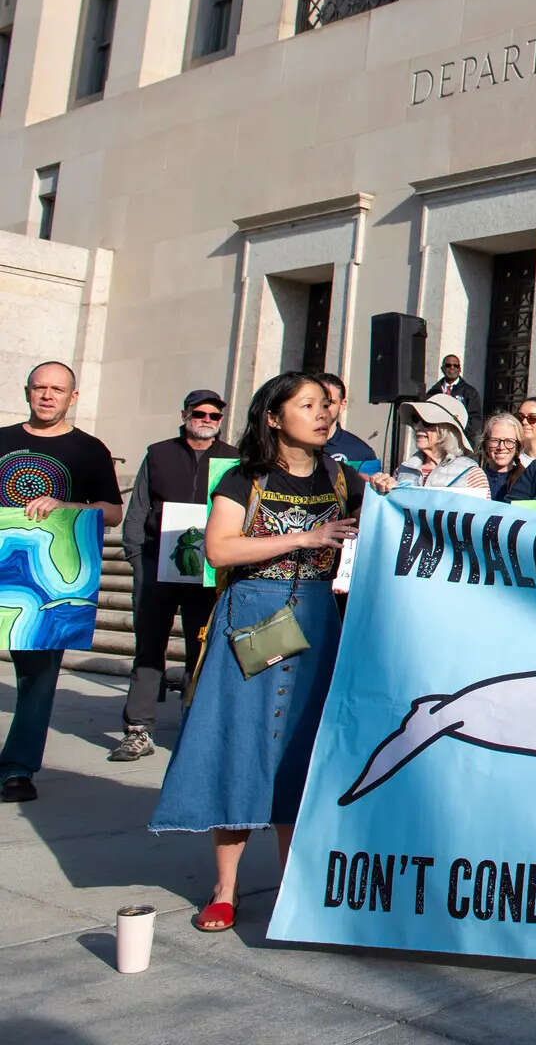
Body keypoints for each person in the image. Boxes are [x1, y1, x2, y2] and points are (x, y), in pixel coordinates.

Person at [148, 372, 370, 930]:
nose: (323, 414)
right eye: (308, 405)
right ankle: (225, 888)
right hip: (252, 619)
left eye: (327, 405)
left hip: (320, 622)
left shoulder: (345, 478)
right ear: (273, 418)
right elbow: (219, 549)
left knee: (304, 754)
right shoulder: (241, 478)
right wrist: (303, 537)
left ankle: (294, 888)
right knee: (240, 747)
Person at [0, 363, 126, 803]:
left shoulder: (89, 449)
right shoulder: (2, 439)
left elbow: (113, 513)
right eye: (40, 387)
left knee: (38, 677)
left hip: (47, 582)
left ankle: (17, 768)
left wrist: (65, 505)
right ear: (27, 392)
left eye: (57, 389)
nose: (47, 395)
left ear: (73, 397)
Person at [110, 389, 239, 762]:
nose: (206, 420)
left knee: (202, 647)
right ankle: (138, 728)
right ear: (184, 413)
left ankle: (194, 725)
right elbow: (139, 508)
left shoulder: (232, 460)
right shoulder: (159, 453)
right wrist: (136, 556)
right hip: (156, 565)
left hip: (208, 569)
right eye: (199, 413)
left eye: (214, 415)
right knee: (149, 646)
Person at [390, 395, 489, 494]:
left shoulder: (471, 474)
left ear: (447, 430)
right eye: (416, 419)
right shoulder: (403, 470)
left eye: (427, 422)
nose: (417, 426)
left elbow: (482, 509)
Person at [316, 373, 381, 474]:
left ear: (342, 405)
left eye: (329, 403)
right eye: (314, 403)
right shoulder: (289, 444)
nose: (323, 408)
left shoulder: (361, 453)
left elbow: (368, 488)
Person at [430, 354, 482, 441]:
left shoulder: (470, 392)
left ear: (460, 369)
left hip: (459, 439)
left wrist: (462, 435)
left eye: (456, 366)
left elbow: (475, 420)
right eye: (448, 365)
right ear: (442, 368)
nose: (452, 368)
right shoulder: (433, 392)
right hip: (437, 439)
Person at [478, 413, 524, 501]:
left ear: (518, 446)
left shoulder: (525, 480)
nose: (501, 447)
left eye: (509, 441)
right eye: (495, 440)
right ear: (485, 444)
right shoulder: (473, 478)